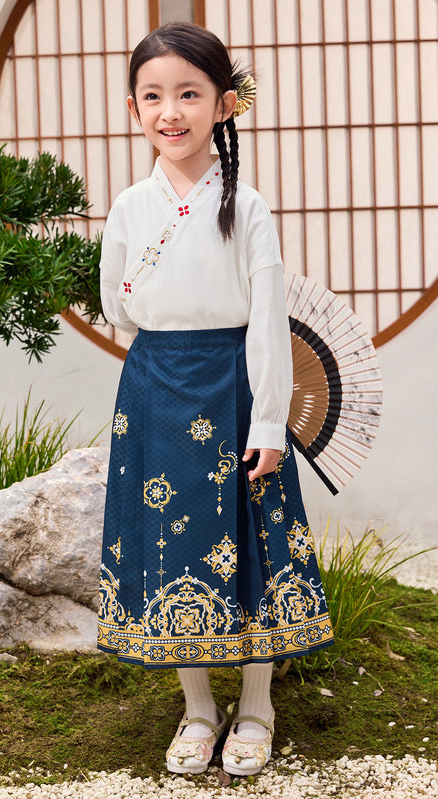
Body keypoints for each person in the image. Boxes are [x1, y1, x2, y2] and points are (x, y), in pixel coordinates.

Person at [97, 21, 334, 777]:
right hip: (156, 386)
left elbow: (267, 320)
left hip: (234, 381)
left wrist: (270, 418)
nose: (172, 111)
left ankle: (256, 707)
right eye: (154, 96)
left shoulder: (248, 206)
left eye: (190, 94)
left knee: (250, 540)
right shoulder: (131, 207)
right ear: (135, 109)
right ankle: (198, 708)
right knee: (171, 545)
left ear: (225, 105)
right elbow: (119, 308)